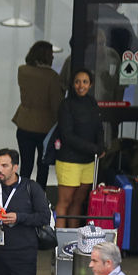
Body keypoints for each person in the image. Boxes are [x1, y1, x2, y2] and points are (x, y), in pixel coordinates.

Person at [54, 68, 104, 228]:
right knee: (65, 202)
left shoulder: (92, 102)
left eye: (85, 82)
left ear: (90, 85)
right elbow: (67, 136)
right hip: (69, 161)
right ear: (72, 84)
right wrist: (94, 148)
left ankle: (73, 243)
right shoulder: (66, 104)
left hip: (88, 162)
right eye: (77, 82)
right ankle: (59, 244)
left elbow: (98, 128)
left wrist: (101, 146)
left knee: (78, 202)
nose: (80, 85)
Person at [12, 41, 64, 188]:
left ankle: (21, 193)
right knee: (43, 165)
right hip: (45, 127)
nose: (53, 58)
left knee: (26, 165)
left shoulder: (22, 70)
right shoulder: (52, 77)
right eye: (51, 55)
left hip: (24, 122)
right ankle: (39, 194)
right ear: (46, 56)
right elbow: (56, 104)